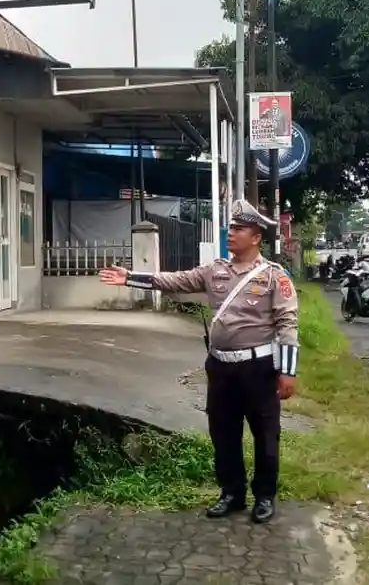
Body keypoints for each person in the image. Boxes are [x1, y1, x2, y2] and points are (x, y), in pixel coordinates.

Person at [98, 199, 299, 524]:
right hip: (220, 368)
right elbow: (174, 281)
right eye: (231, 227)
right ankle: (231, 493)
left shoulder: (274, 276)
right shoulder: (214, 271)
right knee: (223, 433)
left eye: (239, 229)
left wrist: (287, 372)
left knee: (265, 435)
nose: (231, 233)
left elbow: (287, 323)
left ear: (256, 237)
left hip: (258, 369)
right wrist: (130, 277)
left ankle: (264, 496)